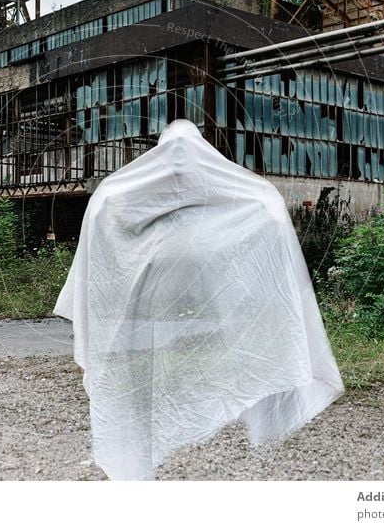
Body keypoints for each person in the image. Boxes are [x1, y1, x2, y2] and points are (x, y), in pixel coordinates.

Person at [54, 119, 343, 480]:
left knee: (133, 395)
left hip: (131, 331)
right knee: (134, 396)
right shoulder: (132, 195)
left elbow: (105, 232)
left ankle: (138, 462)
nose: (179, 160)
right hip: (136, 332)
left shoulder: (122, 194)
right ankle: (137, 461)